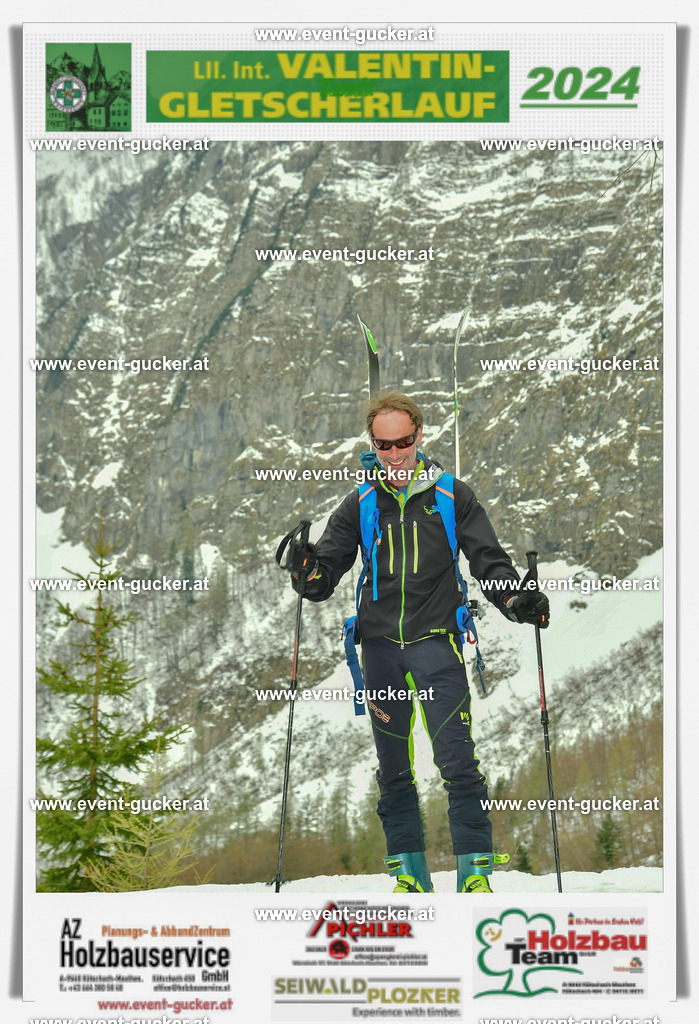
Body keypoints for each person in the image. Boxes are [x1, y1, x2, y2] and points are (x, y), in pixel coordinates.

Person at [281, 391, 549, 893]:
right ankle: (408, 875)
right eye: (384, 445)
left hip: (436, 647)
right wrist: (306, 570)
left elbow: (487, 560)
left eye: (404, 441)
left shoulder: (452, 496)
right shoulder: (361, 501)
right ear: (372, 445)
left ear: (420, 436)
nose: (395, 453)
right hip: (379, 651)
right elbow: (323, 580)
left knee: (457, 760)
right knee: (394, 769)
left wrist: (516, 600)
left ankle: (474, 873)